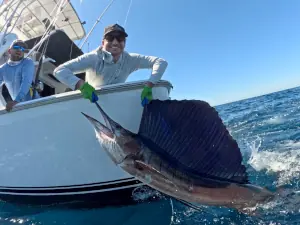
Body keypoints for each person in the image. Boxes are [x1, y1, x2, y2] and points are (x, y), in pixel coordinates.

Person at [54, 23, 168, 106]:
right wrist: (81, 85)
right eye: (110, 38)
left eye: (120, 38)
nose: (115, 42)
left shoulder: (131, 59)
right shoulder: (93, 57)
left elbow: (161, 62)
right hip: (90, 103)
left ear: (124, 43)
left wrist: (149, 85)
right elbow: (59, 71)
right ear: (103, 43)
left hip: (115, 104)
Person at [0, 39, 36, 112]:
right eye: (16, 47)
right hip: (19, 107)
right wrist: (16, 103)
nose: (19, 49)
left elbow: (26, 82)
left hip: (35, 103)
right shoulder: (2, 69)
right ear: (9, 51)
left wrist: (16, 101)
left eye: (22, 48)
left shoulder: (27, 62)